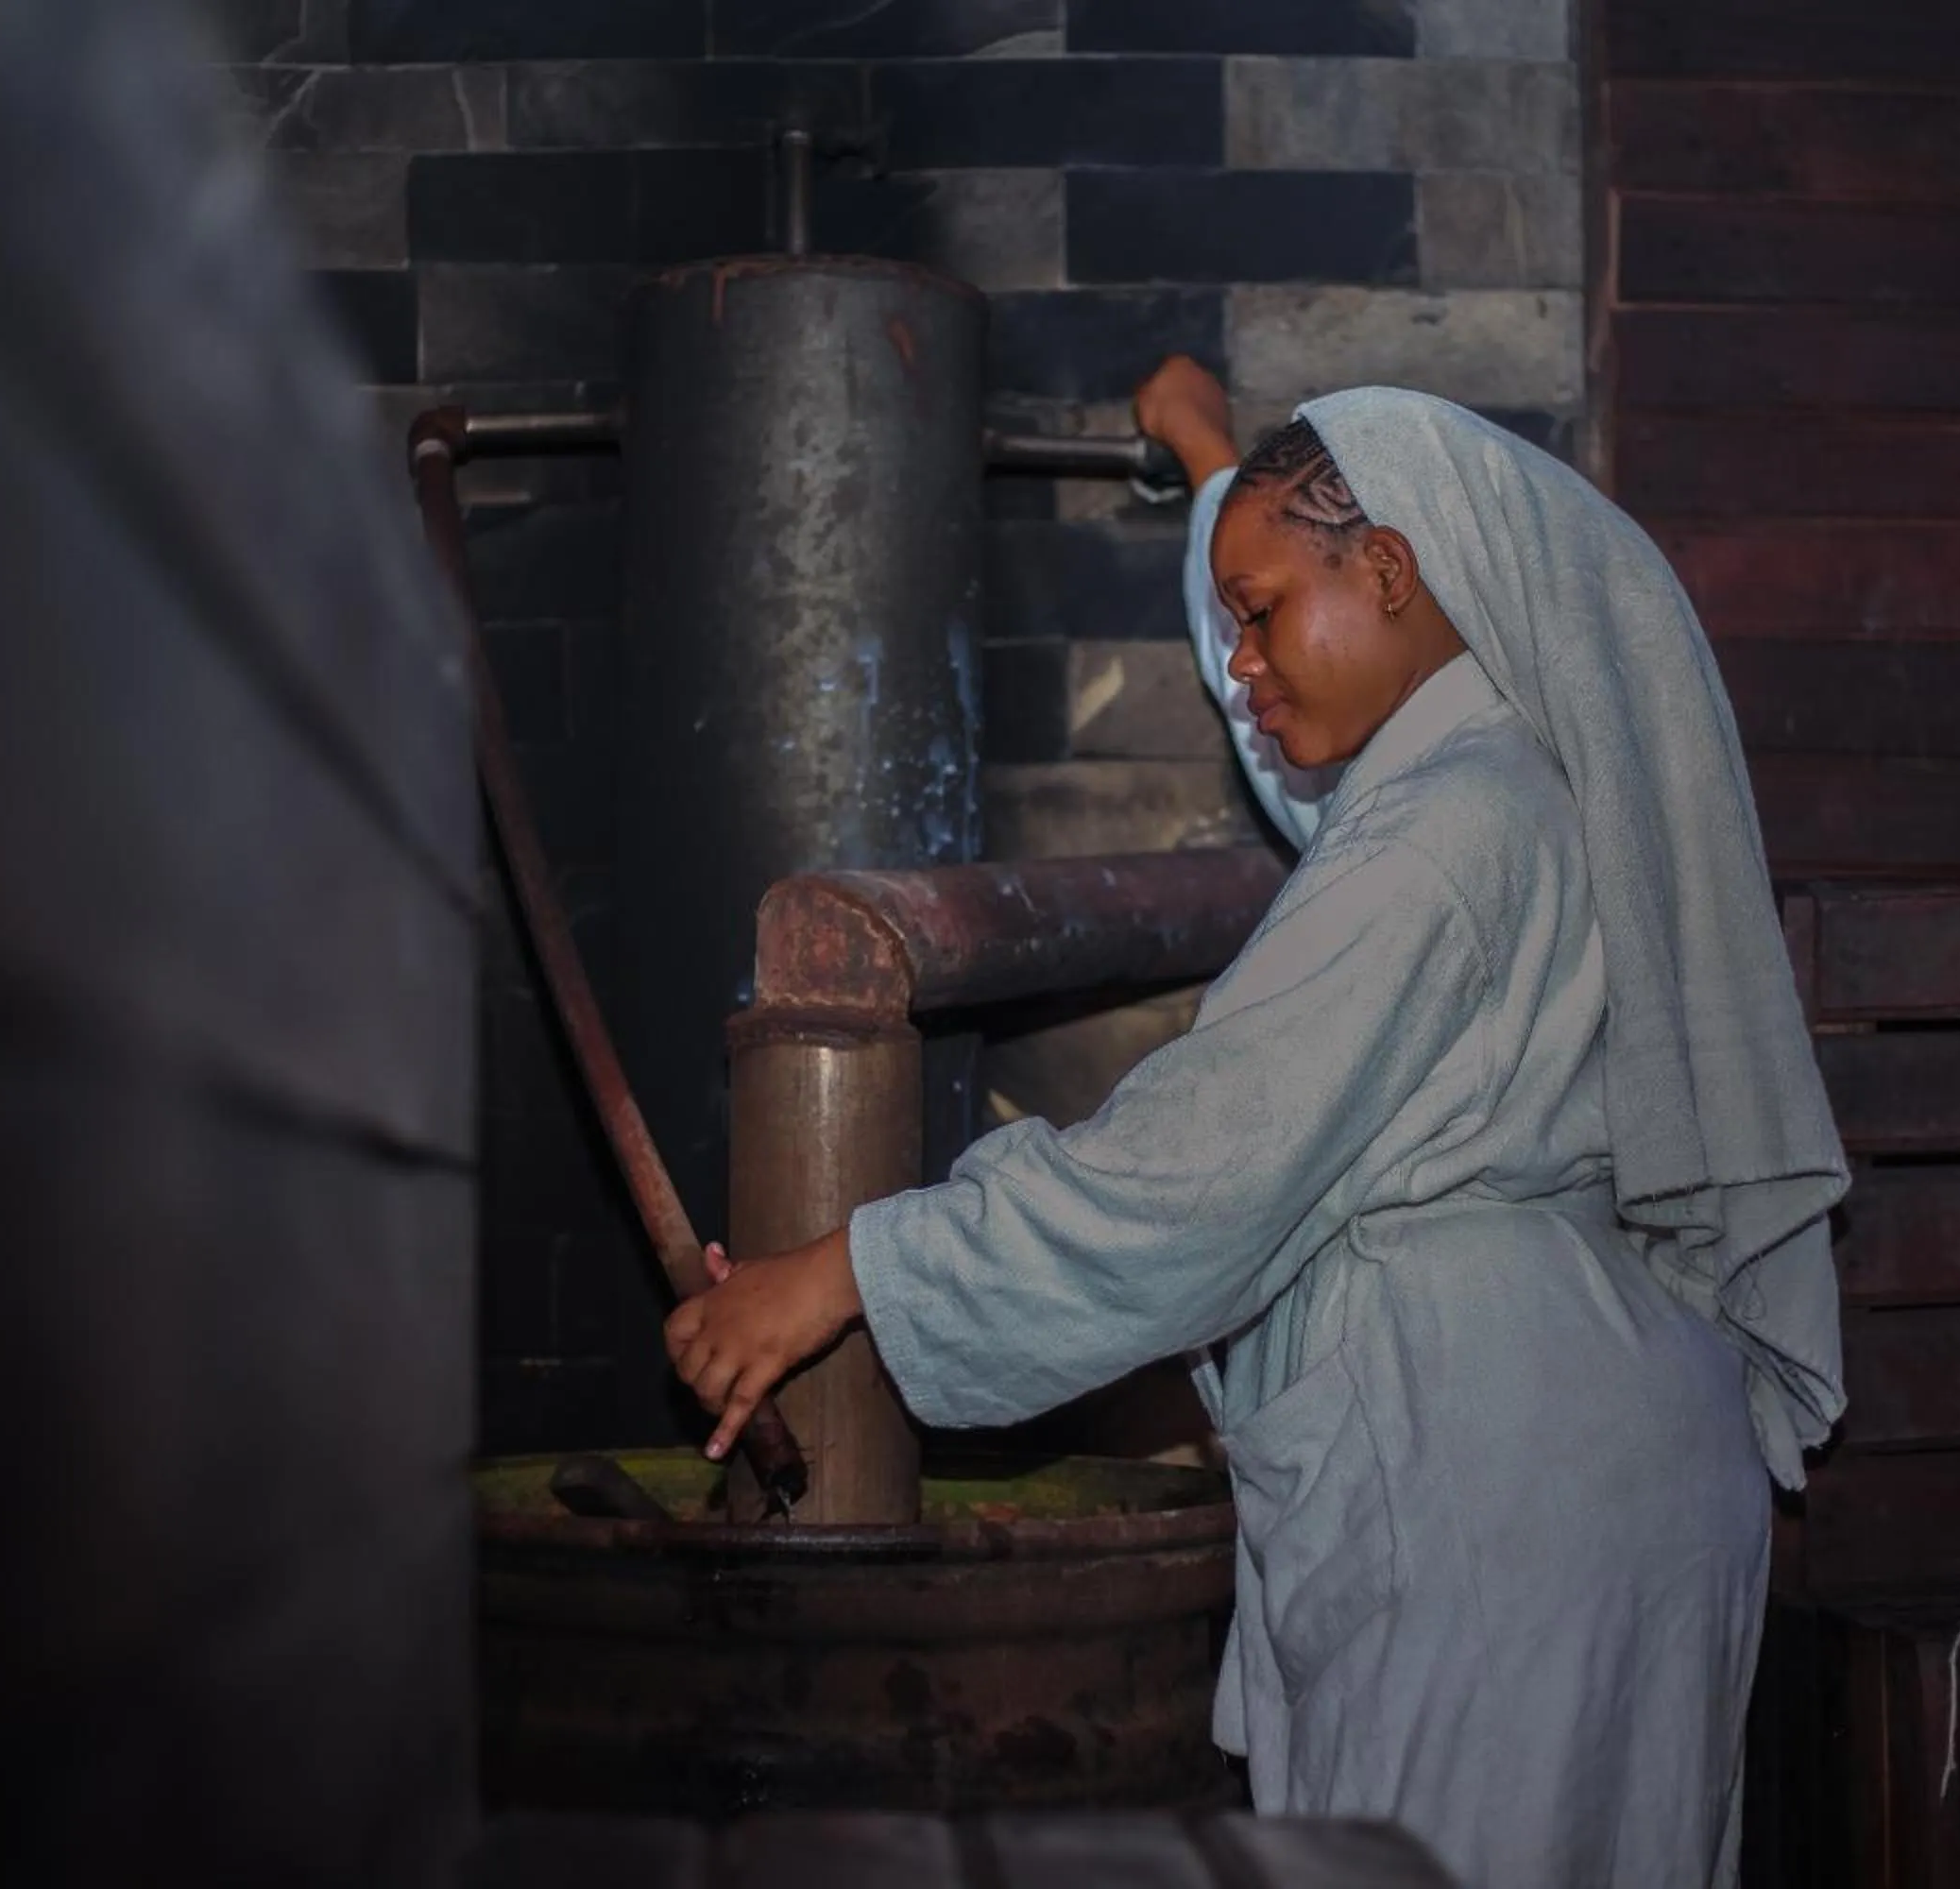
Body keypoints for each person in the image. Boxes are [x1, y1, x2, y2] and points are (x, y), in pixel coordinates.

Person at [665, 361, 1849, 1889]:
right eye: (1231, 624)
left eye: (1263, 615)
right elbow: (1318, 790)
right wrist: (1218, 462)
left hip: (1487, 1503)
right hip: (1618, 1467)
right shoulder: (1524, 775)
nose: (1239, 666)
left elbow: (1189, 1178)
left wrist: (841, 1272)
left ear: (1399, 571)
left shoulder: (1438, 841)